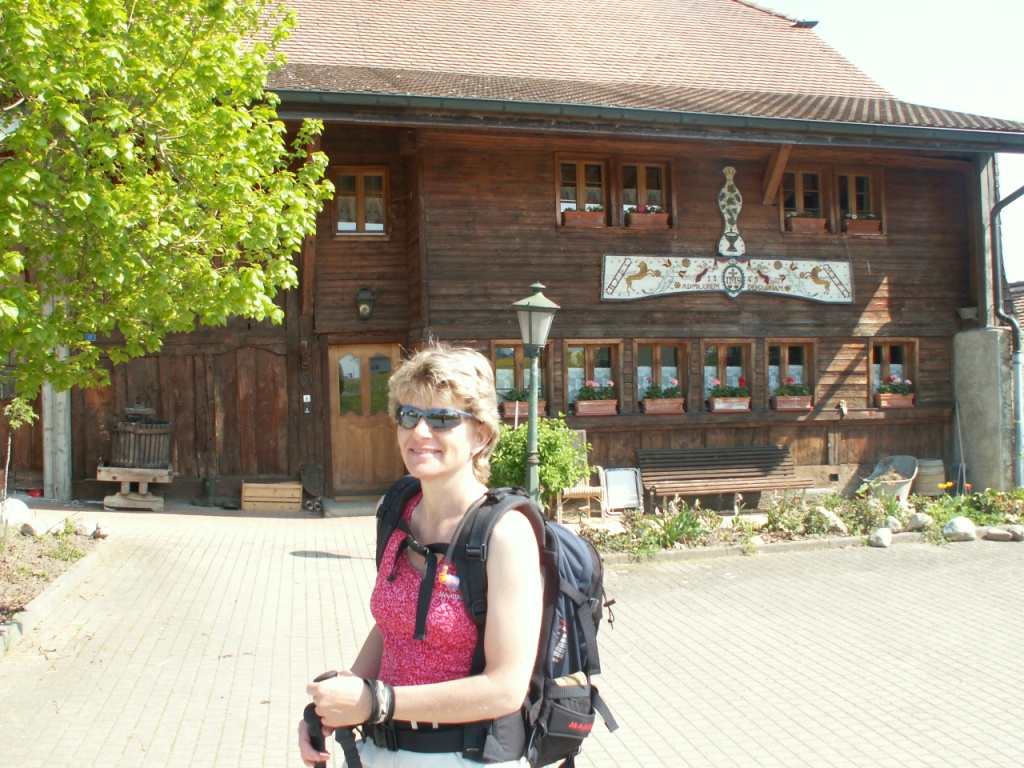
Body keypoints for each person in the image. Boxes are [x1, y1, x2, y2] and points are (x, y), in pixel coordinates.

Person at [299, 342, 543, 767]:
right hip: (379, 750)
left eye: (442, 418)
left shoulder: (506, 534)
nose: (420, 432)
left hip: (463, 757)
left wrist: (376, 701)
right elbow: (394, 624)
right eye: (409, 415)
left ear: (481, 435)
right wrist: (334, 706)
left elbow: (506, 688)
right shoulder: (398, 509)